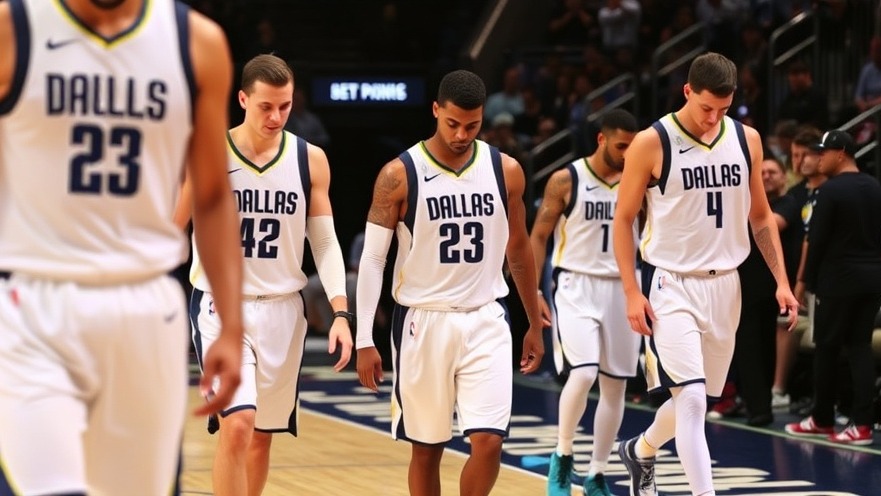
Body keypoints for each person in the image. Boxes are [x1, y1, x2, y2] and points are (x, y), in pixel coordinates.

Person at [0, 1, 244, 494]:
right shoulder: (13, 28)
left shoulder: (197, 43)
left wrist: (233, 328)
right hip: (32, 302)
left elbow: (214, 196)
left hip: (146, 307)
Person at [612, 52, 798, 496]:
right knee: (692, 401)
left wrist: (783, 281)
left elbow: (760, 216)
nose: (714, 118)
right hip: (671, 283)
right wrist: (631, 292)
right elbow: (623, 219)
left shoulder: (746, 139)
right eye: (706, 108)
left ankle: (640, 450)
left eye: (724, 109)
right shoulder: (651, 141)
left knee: (692, 400)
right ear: (687, 92)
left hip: (726, 285)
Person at [354, 69, 547, 496]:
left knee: (490, 442)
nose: (462, 134)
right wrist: (365, 337)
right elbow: (372, 261)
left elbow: (518, 247)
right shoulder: (398, 174)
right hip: (423, 320)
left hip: (487, 318)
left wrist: (532, 319)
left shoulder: (506, 170)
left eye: (473, 125)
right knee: (427, 448)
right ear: (436, 110)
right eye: (453, 123)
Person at [176, 54, 353, 496]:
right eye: (265, 107)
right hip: (220, 307)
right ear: (242, 99)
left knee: (260, 438)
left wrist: (340, 312)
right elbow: (168, 229)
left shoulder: (310, 160)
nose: (276, 117)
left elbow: (326, 243)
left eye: (285, 106)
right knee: (238, 425)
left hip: (283, 311)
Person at [529, 109, 640, 496]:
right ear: (602, 140)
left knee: (616, 387)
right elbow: (539, 235)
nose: (628, 153)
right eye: (622, 145)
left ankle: (596, 474)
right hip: (575, 284)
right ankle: (562, 457)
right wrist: (535, 292)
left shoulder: (639, 180)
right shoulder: (566, 179)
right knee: (584, 372)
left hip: (623, 287)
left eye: (633, 146)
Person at [784, 130, 881, 446]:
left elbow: (817, 242)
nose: (818, 158)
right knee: (859, 347)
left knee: (826, 347)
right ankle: (863, 425)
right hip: (872, 279)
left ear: (841, 153)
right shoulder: (875, 186)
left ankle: (822, 418)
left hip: (837, 281)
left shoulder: (830, 191)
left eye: (823, 153)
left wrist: (802, 283)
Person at [731, 157, 798, 427]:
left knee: (762, 347)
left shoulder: (788, 203)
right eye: (762, 172)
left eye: (773, 172)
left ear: (784, 177)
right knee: (747, 346)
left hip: (776, 287)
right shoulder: (745, 204)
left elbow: (769, 228)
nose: (767, 176)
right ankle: (752, 405)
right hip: (743, 284)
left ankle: (761, 406)